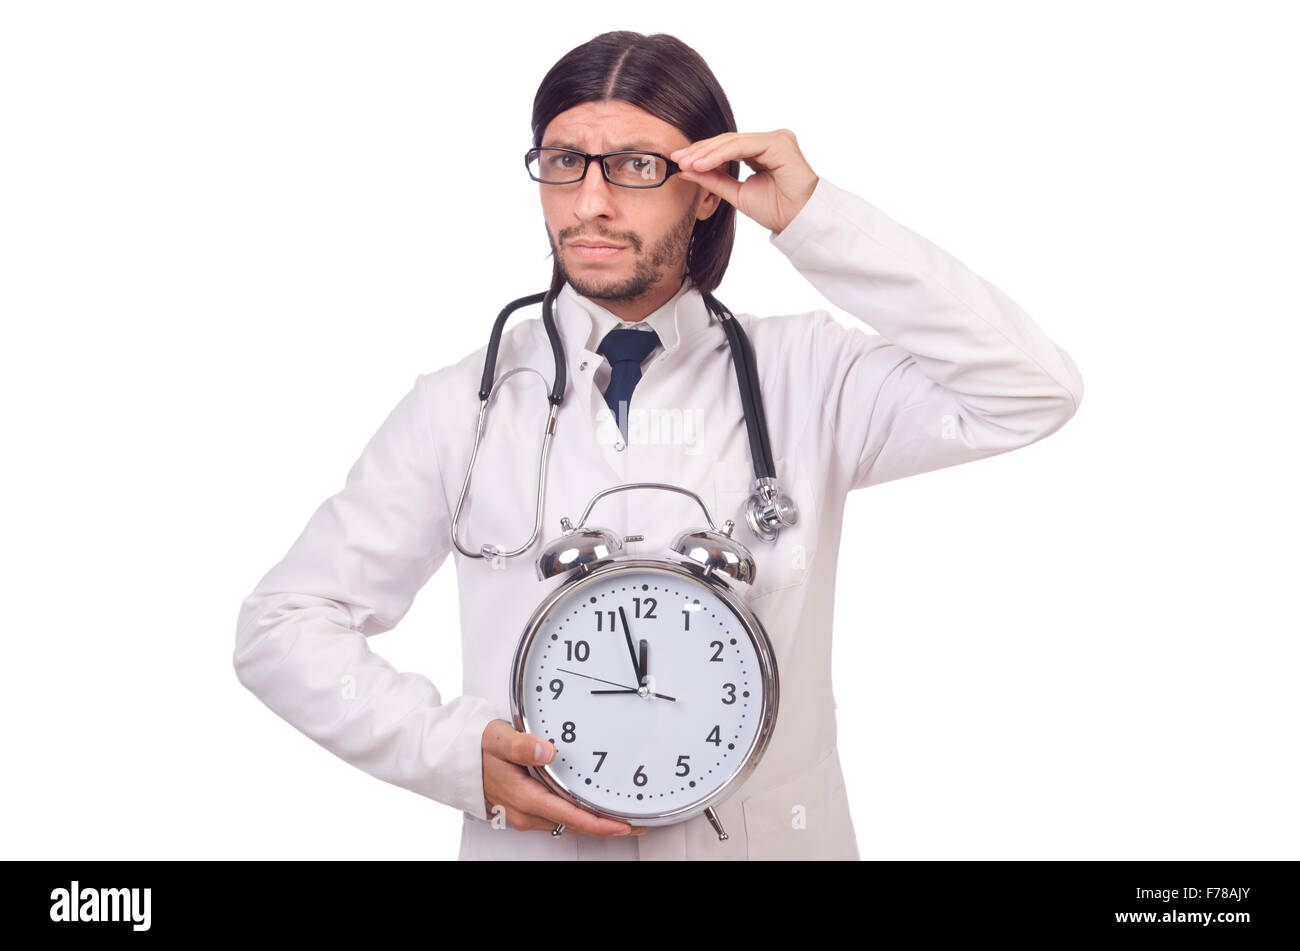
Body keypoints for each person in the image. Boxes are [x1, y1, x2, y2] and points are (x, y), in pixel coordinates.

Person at [233, 30, 1084, 860]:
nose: (591, 202)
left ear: (708, 188)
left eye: (638, 166)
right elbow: (282, 627)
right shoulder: (464, 405)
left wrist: (815, 221)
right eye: (565, 160)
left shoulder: (808, 376)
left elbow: (1031, 390)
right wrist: (454, 753)